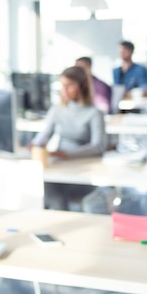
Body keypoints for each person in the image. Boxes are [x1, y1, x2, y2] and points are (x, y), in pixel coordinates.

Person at [30, 66, 106, 210]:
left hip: (83, 172)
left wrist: (67, 155)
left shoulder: (95, 114)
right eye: (62, 85)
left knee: (53, 192)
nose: (64, 90)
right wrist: (34, 145)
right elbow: (44, 135)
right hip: (59, 165)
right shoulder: (57, 110)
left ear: (83, 86)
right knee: (43, 185)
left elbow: (98, 147)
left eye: (69, 85)